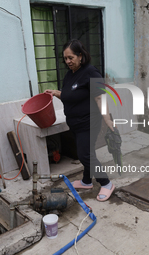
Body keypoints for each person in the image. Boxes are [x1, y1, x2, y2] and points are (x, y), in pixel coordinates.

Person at [45, 39, 115, 201]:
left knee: (85, 155)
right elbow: (70, 95)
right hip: (75, 123)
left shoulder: (92, 73)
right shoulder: (70, 75)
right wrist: (56, 92)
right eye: (66, 58)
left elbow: (100, 99)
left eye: (71, 58)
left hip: (89, 122)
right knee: (86, 152)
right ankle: (86, 181)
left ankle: (106, 183)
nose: (68, 61)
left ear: (81, 56)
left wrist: (108, 120)